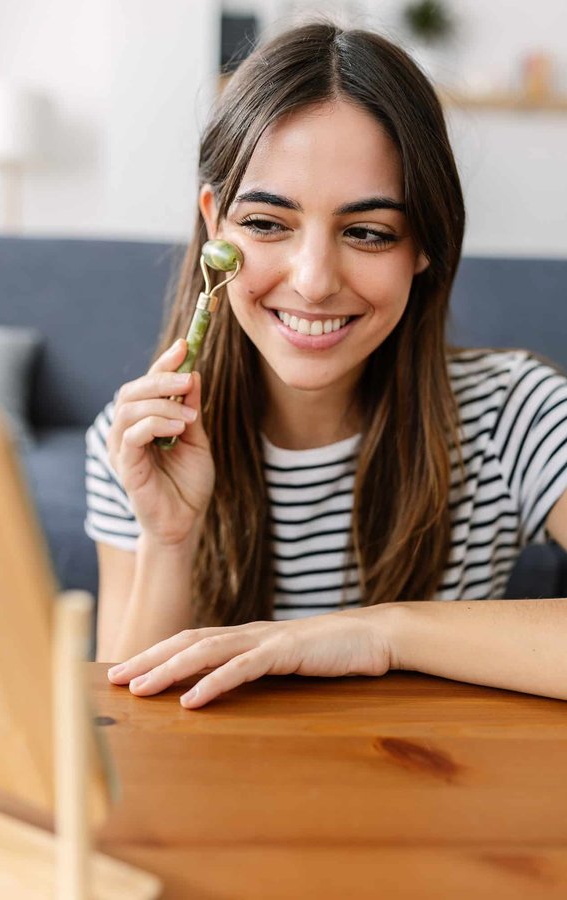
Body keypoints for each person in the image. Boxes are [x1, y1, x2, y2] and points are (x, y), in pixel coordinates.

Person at [85, 22, 567, 709]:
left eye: (367, 232)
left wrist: (383, 632)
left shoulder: (518, 413)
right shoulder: (139, 438)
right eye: (266, 224)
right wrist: (169, 539)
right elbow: (124, 736)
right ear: (214, 224)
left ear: (424, 246)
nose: (313, 281)